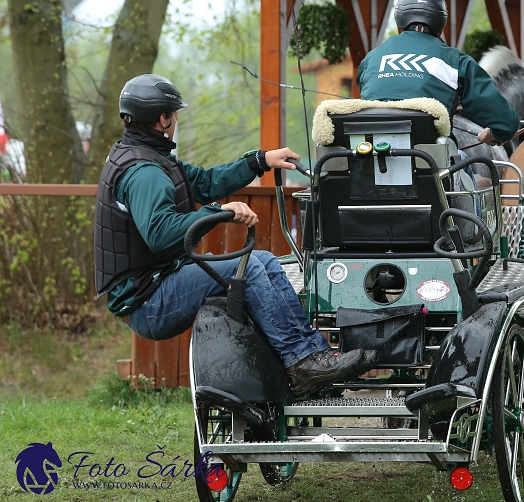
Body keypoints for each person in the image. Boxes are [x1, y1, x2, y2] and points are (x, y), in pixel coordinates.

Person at [94, 74, 377, 399]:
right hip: (149, 302)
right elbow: (160, 235)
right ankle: (302, 364)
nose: (176, 121)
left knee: (266, 261)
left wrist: (259, 161)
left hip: (159, 283)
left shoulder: (150, 157)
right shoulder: (144, 172)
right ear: (163, 118)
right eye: (175, 114)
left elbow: (204, 182)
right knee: (249, 267)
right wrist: (220, 212)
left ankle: (313, 359)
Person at [356, 0, 520, 147]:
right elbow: (506, 124)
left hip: (369, 155)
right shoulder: (457, 62)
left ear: (399, 23)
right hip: (430, 163)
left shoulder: (372, 58)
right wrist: (491, 134)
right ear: (440, 29)